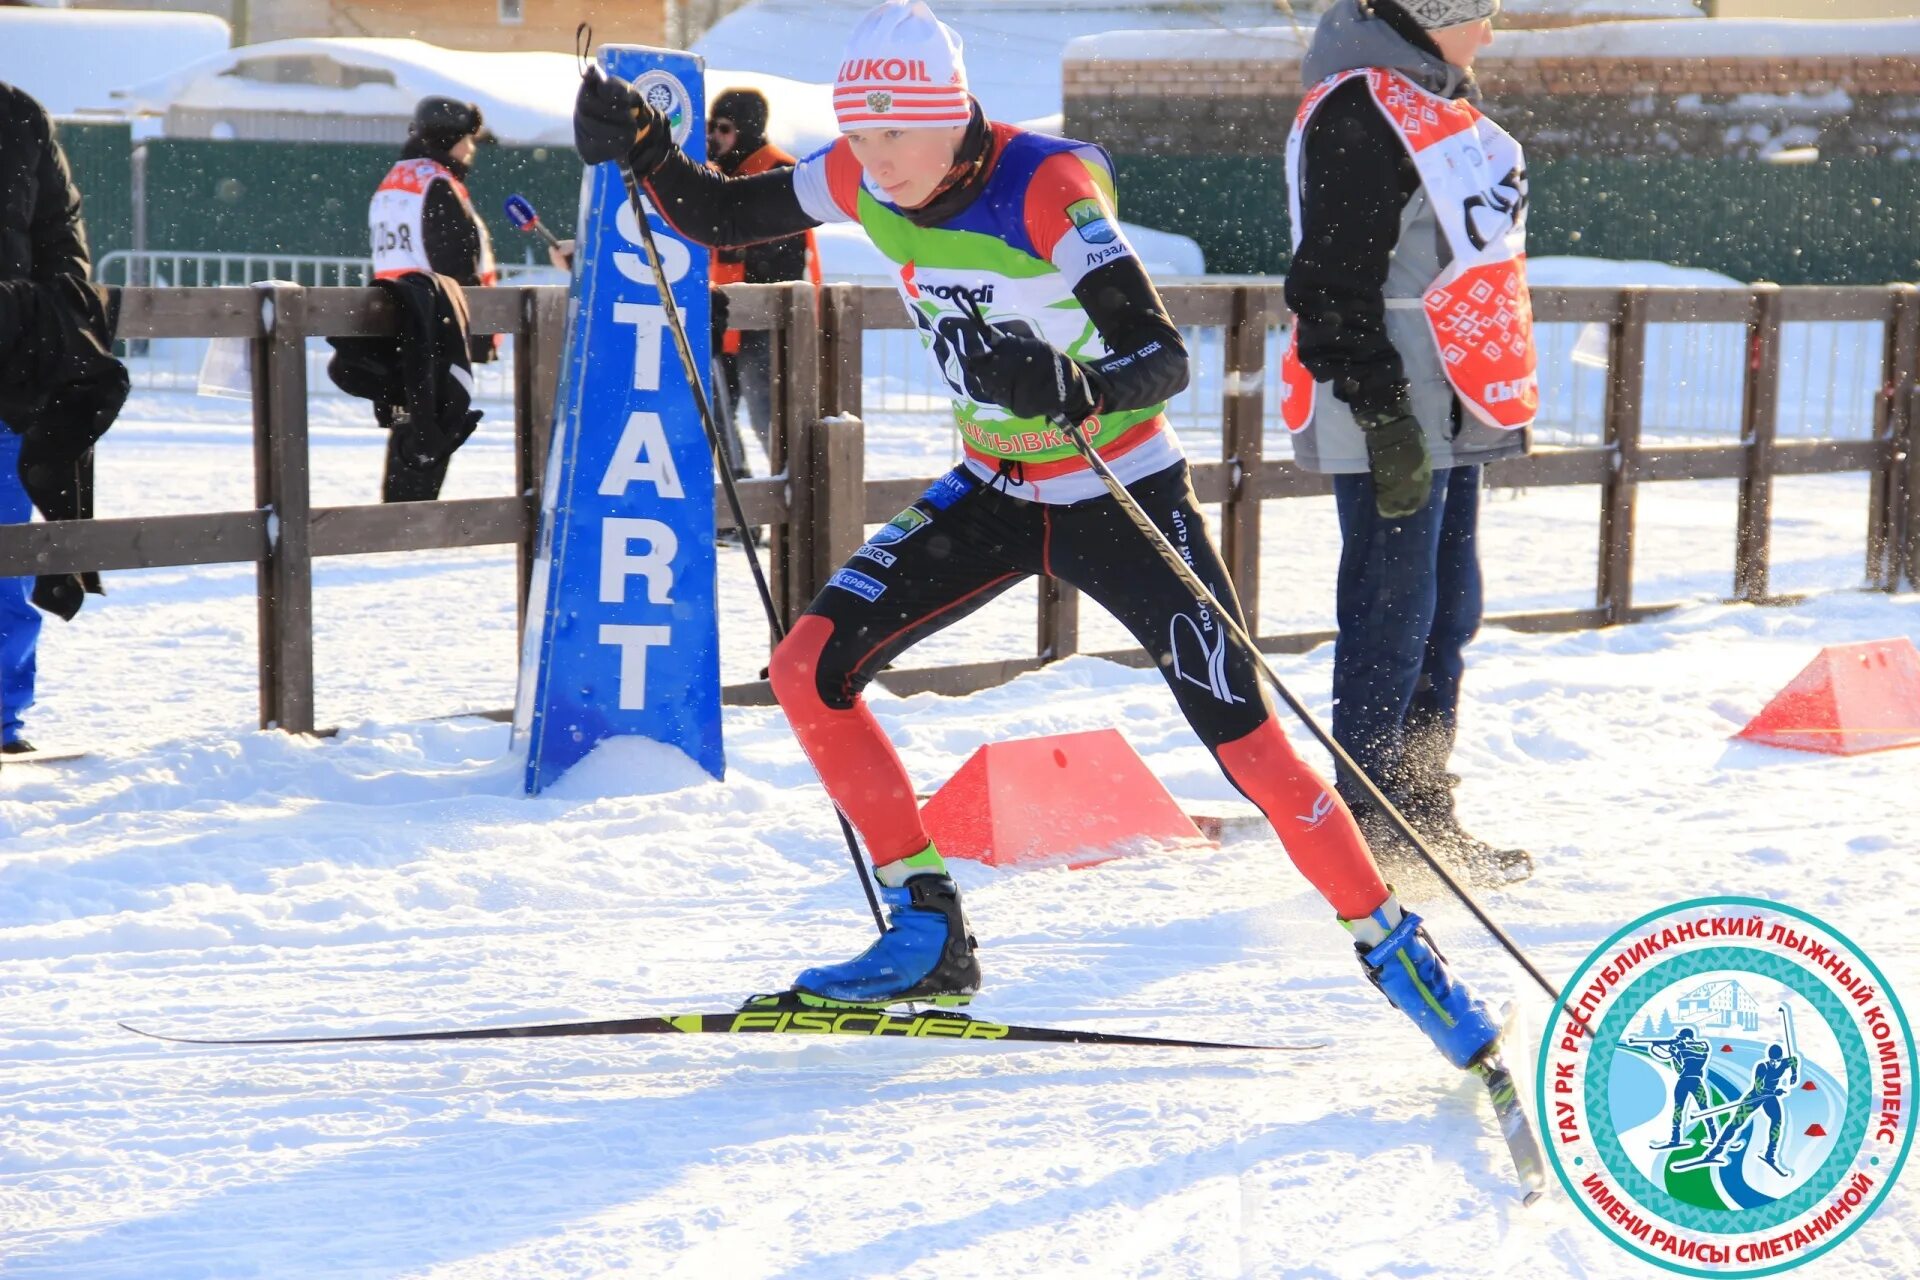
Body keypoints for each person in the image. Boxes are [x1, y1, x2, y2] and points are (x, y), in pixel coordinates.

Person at [573, 0, 1506, 1073]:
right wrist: (644, 150)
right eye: (859, 137)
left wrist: (1073, 381)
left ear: (952, 116)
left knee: (1250, 741)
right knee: (805, 667)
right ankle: (926, 927)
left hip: (1122, 491)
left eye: (895, 138)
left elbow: (1160, 357)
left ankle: (1396, 948)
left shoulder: (1047, 188)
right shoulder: (861, 174)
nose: (876, 165)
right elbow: (719, 216)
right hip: (997, 485)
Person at [1281, 0, 1535, 887]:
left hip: (1454, 398)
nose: (1491, 36)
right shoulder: (1360, 111)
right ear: (1426, 18)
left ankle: (1422, 804)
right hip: (1393, 391)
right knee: (1392, 610)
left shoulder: (1437, 106)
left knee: (1446, 610)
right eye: (1480, 14)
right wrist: (1384, 410)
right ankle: (1370, 820)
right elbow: (1330, 277)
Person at [0, 81, 127, 754]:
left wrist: (30, 315)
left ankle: (0, 719)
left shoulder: (18, 115)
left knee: (8, 560)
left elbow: (64, 250)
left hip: (8, 377)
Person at [363, 96, 498, 501]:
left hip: (397, 317)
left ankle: (400, 514)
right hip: (434, 321)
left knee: (411, 420)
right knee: (434, 421)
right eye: (467, 139)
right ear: (448, 138)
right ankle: (410, 519)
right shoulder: (437, 182)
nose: (472, 149)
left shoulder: (397, 179)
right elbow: (454, 262)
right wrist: (474, 320)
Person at [704, 87, 818, 481]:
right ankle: (743, 499)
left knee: (768, 415)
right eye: (710, 127)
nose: (713, 137)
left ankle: (793, 500)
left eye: (723, 128)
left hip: (768, 320)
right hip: (723, 317)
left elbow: (784, 256)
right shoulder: (719, 178)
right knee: (714, 414)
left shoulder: (779, 173)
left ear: (747, 131)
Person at [1641, 1026, 1720, 1150]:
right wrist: (1673, 1051)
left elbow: (1691, 1052)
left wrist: (1675, 1047)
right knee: (1693, 1109)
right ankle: (1709, 1137)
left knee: (1692, 1110)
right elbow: (1680, 1064)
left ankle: (1680, 1139)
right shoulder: (1693, 1048)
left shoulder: (1697, 1046)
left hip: (1689, 1081)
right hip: (1692, 1081)